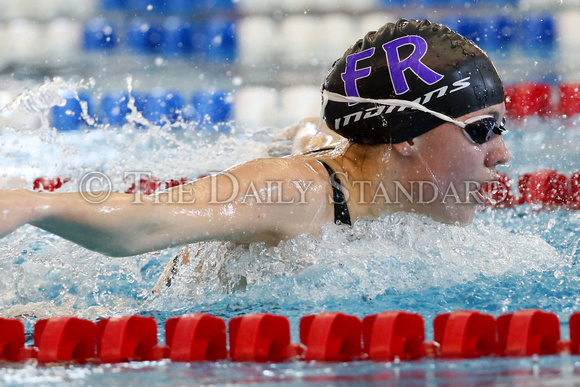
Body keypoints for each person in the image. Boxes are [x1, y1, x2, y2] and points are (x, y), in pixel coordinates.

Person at [0, 19, 510, 268]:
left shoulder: (372, 171)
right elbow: (139, 224)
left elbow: (324, 133)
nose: (502, 153)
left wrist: (301, 133)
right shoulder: (293, 192)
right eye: (482, 129)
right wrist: (29, 203)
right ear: (404, 138)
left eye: (502, 128)